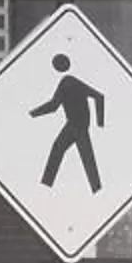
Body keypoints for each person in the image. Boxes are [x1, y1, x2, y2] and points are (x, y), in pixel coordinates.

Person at [30, 54, 105, 190]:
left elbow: (99, 97)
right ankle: (45, 186)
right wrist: (33, 114)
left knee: (83, 157)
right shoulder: (68, 81)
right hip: (75, 124)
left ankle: (96, 189)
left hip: (77, 125)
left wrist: (100, 124)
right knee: (62, 150)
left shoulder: (68, 81)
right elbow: (54, 106)